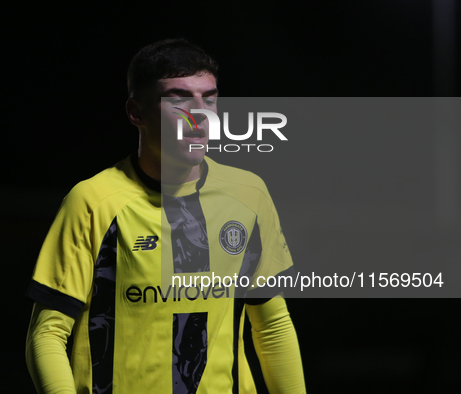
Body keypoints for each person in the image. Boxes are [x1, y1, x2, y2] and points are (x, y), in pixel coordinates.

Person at [25, 38, 306, 394]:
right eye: (178, 99)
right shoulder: (92, 202)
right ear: (136, 113)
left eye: (210, 98)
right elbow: (47, 333)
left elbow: (271, 325)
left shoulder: (247, 195)